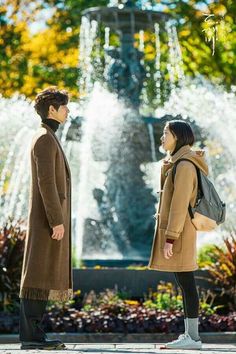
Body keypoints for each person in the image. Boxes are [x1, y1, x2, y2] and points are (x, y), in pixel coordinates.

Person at [19, 87, 72, 350]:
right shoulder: (44, 138)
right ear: (52, 109)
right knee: (37, 276)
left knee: (41, 275)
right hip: (46, 222)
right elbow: (46, 183)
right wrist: (56, 220)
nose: (68, 112)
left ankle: (35, 335)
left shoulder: (47, 136)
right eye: (64, 107)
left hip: (48, 220)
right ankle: (31, 338)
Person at [148, 120, 208, 350]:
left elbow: (179, 204)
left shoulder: (184, 166)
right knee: (185, 283)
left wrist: (170, 237)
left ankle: (192, 338)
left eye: (166, 133)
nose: (162, 137)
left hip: (180, 232)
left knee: (187, 283)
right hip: (180, 231)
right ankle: (190, 336)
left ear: (178, 137)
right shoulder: (178, 163)